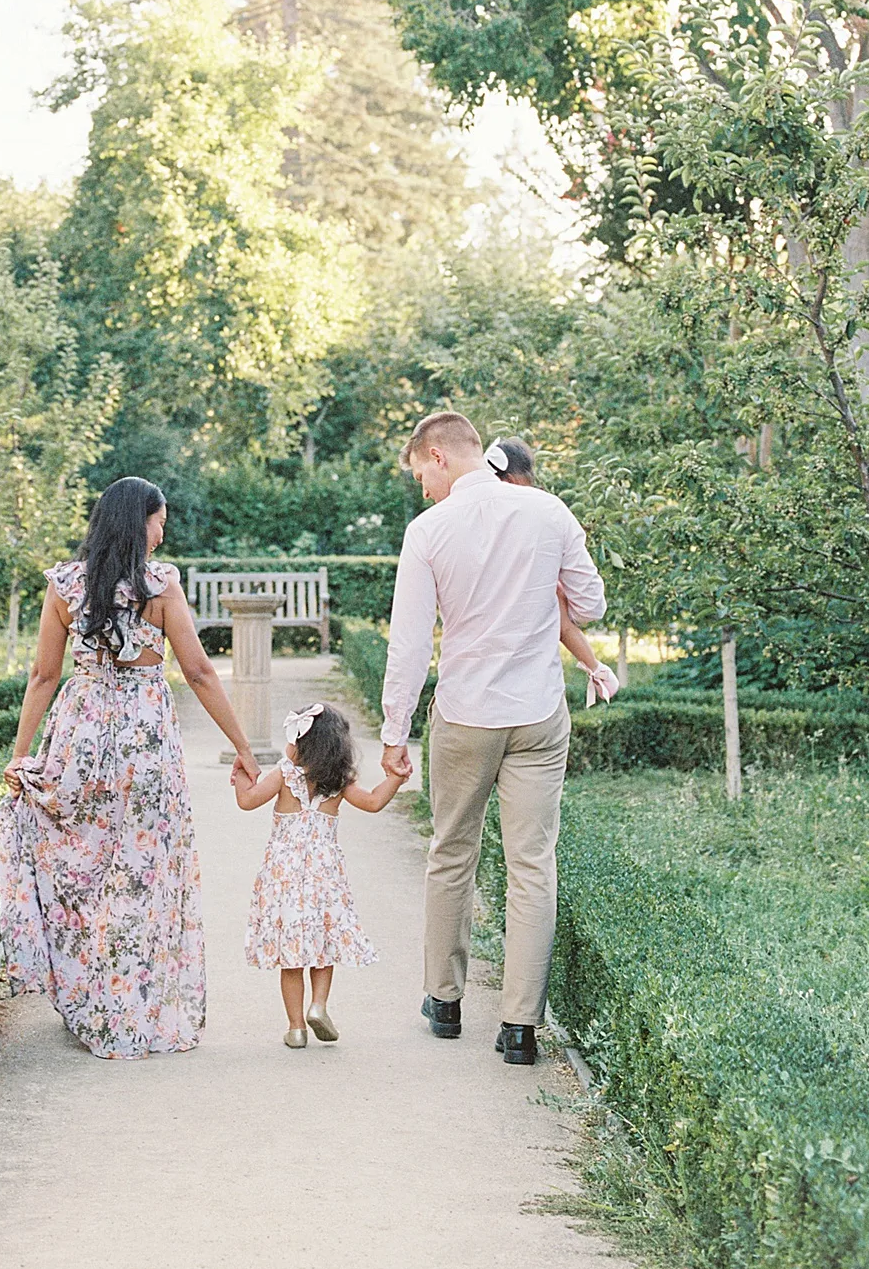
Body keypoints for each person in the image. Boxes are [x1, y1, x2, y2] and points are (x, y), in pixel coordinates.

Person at [0, 476, 260, 1060]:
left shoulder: (65, 585)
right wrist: (243, 745)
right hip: (144, 739)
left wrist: (21, 754)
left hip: (81, 735)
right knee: (143, 871)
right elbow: (198, 672)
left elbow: (43, 676)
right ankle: (134, 1007)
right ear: (140, 521)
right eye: (160, 520)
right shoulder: (159, 585)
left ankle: (90, 1001)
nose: (164, 531)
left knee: (84, 867)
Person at [381, 411, 606, 1068]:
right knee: (532, 863)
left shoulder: (428, 531)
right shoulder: (548, 512)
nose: (420, 484)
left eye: (418, 470)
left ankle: (445, 1002)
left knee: (453, 849)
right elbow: (588, 605)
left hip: (467, 713)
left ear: (437, 454)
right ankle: (519, 1028)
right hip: (537, 712)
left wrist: (396, 730)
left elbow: (410, 642)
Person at [235, 701, 404, 1047]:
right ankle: (319, 1005)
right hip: (324, 877)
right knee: (324, 946)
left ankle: (296, 1028)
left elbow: (248, 801)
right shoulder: (339, 780)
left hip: (284, 877)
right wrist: (396, 779)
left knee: (291, 955)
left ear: (300, 743)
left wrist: (240, 777)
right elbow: (373, 802)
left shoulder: (283, 774)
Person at [484, 436, 619, 708]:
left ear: (507, 481)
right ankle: (597, 670)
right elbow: (589, 609)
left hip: (477, 697)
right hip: (536, 697)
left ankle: (596, 668)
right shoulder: (551, 514)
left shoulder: (469, 521)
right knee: (558, 612)